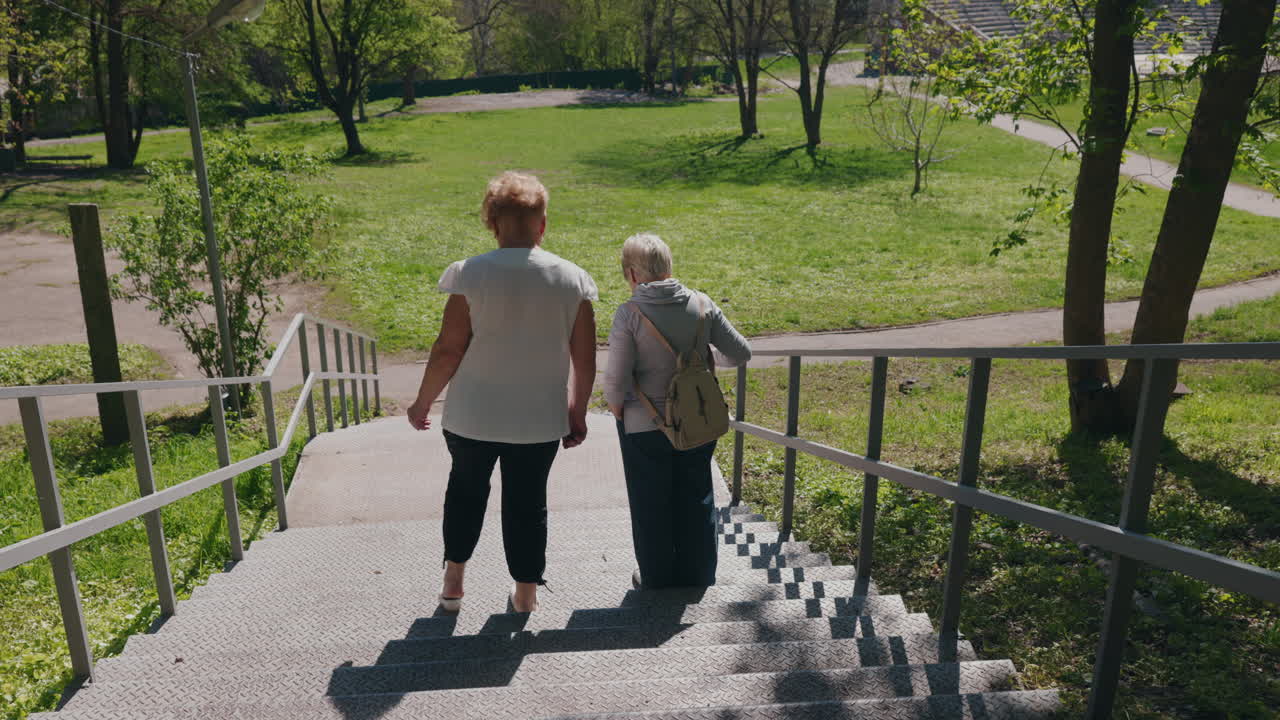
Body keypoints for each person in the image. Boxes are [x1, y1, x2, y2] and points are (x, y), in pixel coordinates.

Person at [407, 172, 598, 613]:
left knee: (466, 491)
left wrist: (422, 402)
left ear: (492, 223)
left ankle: (454, 579)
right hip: (539, 418)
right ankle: (526, 594)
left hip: (473, 414)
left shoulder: (470, 275)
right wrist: (577, 411)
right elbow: (585, 360)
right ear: (542, 224)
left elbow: (448, 350)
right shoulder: (573, 280)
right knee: (528, 503)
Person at [604, 233, 751, 589]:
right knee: (697, 495)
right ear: (668, 266)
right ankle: (698, 574)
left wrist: (620, 412)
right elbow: (740, 353)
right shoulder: (702, 305)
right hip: (696, 419)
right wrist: (698, 364)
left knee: (650, 502)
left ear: (632, 273)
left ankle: (656, 577)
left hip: (644, 424)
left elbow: (616, 381)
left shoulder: (630, 314)